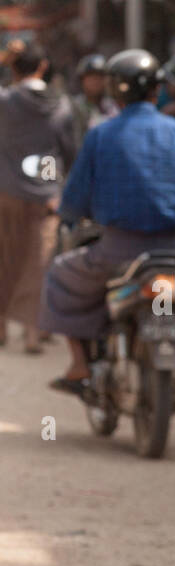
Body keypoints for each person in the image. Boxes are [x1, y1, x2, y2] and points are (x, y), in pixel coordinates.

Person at [39, 49, 175, 393]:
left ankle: (77, 365)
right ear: (155, 90)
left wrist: (72, 217)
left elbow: (74, 199)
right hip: (173, 251)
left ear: (114, 92)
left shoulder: (101, 135)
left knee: (59, 275)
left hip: (116, 251)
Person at [0, 40, 76, 354]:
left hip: (5, 191)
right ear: (43, 66)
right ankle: (32, 334)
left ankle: (1, 328)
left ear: (12, 67)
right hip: (46, 194)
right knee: (37, 263)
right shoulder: (61, 105)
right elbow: (70, 152)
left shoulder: (4, 102)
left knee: (4, 259)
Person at [69, 53, 117, 150]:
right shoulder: (73, 107)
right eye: (91, 77)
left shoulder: (114, 107)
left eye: (100, 77)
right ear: (82, 80)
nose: (95, 81)